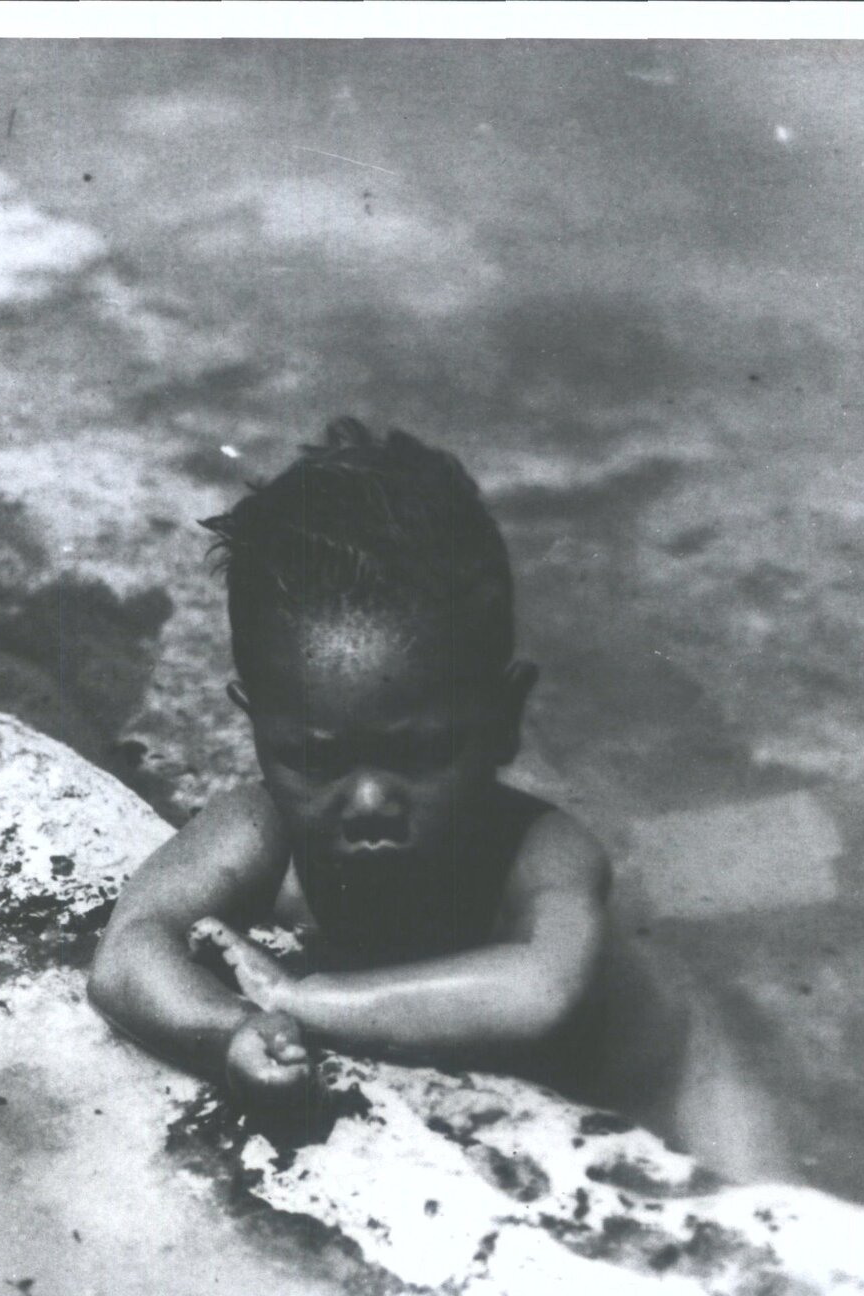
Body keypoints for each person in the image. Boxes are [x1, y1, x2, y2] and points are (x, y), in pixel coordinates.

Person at [88, 419, 682, 1123]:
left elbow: (541, 989)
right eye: (312, 758)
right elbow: (127, 951)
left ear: (505, 719)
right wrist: (228, 1032)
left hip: (658, 1071)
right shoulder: (259, 829)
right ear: (255, 727)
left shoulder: (539, 850)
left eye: (421, 751)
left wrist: (297, 1002)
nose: (368, 799)